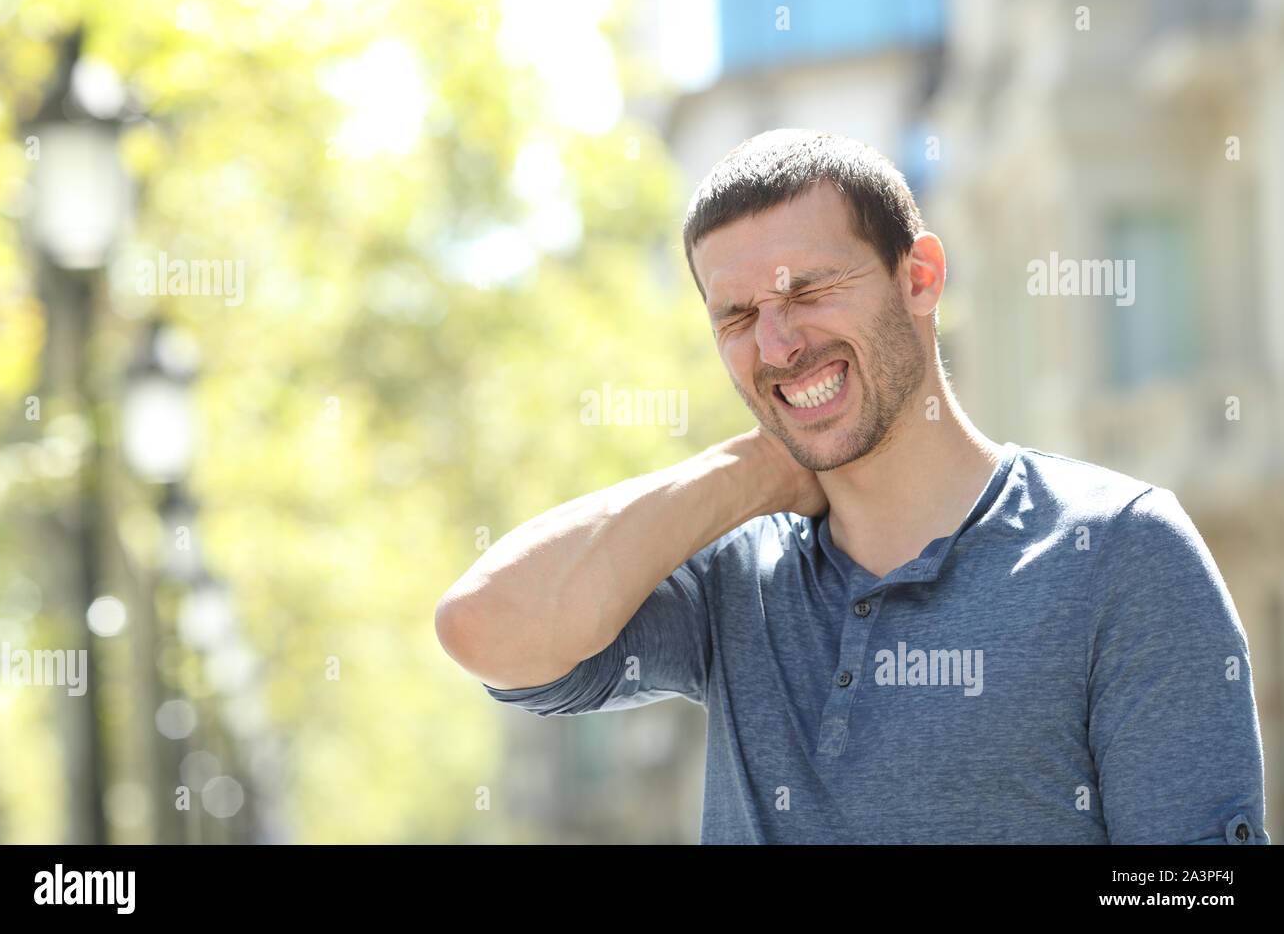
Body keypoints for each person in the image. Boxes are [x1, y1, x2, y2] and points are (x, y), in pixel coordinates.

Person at [435, 129, 1270, 844]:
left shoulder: (1121, 550)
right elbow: (484, 628)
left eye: (810, 289)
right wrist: (751, 470)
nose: (777, 343)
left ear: (919, 279)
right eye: (736, 317)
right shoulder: (737, 578)